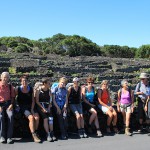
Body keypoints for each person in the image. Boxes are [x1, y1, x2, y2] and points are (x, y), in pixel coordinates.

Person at [15, 75, 41, 143]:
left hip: (31, 105)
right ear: (21, 82)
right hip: (23, 106)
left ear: (28, 81)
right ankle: (34, 135)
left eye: (26, 81)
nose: (24, 82)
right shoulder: (18, 89)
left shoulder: (31, 89)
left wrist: (32, 109)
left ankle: (36, 131)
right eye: (23, 81)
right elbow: (14, 98)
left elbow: (33, 100)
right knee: (31, 118)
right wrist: (16, 106)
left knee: (37, 118)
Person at [35, 78, 56, 142]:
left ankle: (52, 132)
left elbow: (50, 100)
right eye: (49, 83)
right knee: (46, 119)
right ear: (44, 83)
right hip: (41, 105)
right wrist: (43, 108)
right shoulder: (38, 90)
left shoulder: (49, 90)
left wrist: (49, 107)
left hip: (47, 105)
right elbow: (37, 101)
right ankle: (48, 134)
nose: (50, 84)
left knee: (51, 118)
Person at [0, 72, 15, 144]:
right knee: (1, 116)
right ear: (1, 77)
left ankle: (9, 137)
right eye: (4, 77)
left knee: (11, 116)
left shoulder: (10, 86)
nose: (6, 79)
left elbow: (13, 97)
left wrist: (11, 104)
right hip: (0, 104)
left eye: (7, 77)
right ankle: (2, 136)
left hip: (8, 104)